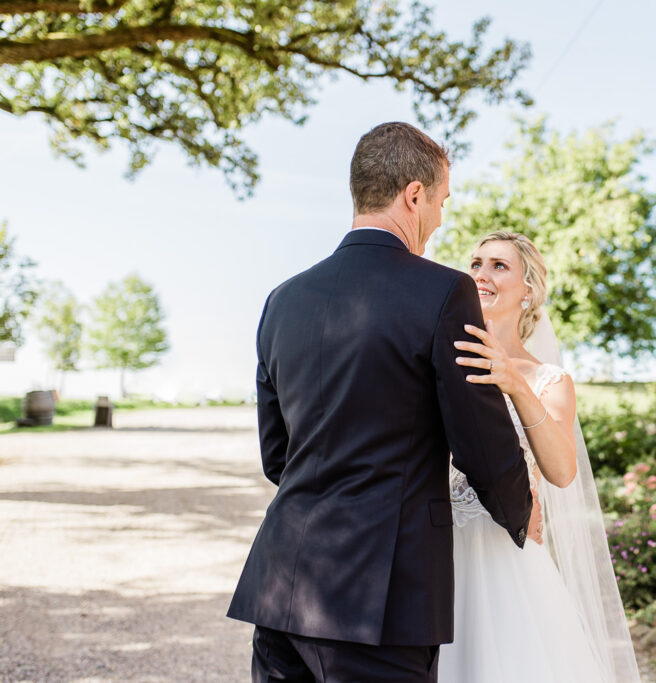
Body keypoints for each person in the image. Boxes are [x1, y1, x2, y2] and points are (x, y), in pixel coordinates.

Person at [227, 123, 534, 683]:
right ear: (413, 195)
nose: (440, 219)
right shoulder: (444, 291)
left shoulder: (282, 300)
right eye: (440, 202)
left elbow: (278, 457)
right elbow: (480, 440)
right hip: (382, 601)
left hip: (281, 590)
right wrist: (520, 509)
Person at [441, 231, 641, 682]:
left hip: (509, 557)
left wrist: (514, 383)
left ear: (527, 291)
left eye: (498, 265)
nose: (481, 274)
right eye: (476, 263)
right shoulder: (440, 362)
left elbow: (563, 471)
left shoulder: (550, 380)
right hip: (439, 552)